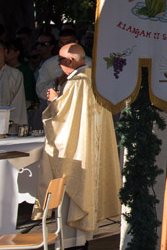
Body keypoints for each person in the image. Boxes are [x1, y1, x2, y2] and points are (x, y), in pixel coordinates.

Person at [34, 43, 121, 249]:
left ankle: (72, 243)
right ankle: (81, 240)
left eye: (60, 60)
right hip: (90, 147)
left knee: (73, 194)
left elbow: (64, 119)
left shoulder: (77, 83)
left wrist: (55, 101)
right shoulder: (93, 78)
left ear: (71, 61)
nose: (59, 64)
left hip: (78, 152)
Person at [36, 29, 90, 113]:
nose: (65, 46)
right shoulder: (49, 64)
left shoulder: (90, 65)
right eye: (61, 43)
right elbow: (40, 90)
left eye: (68, 42)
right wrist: (57, 83)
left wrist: (57, 98)